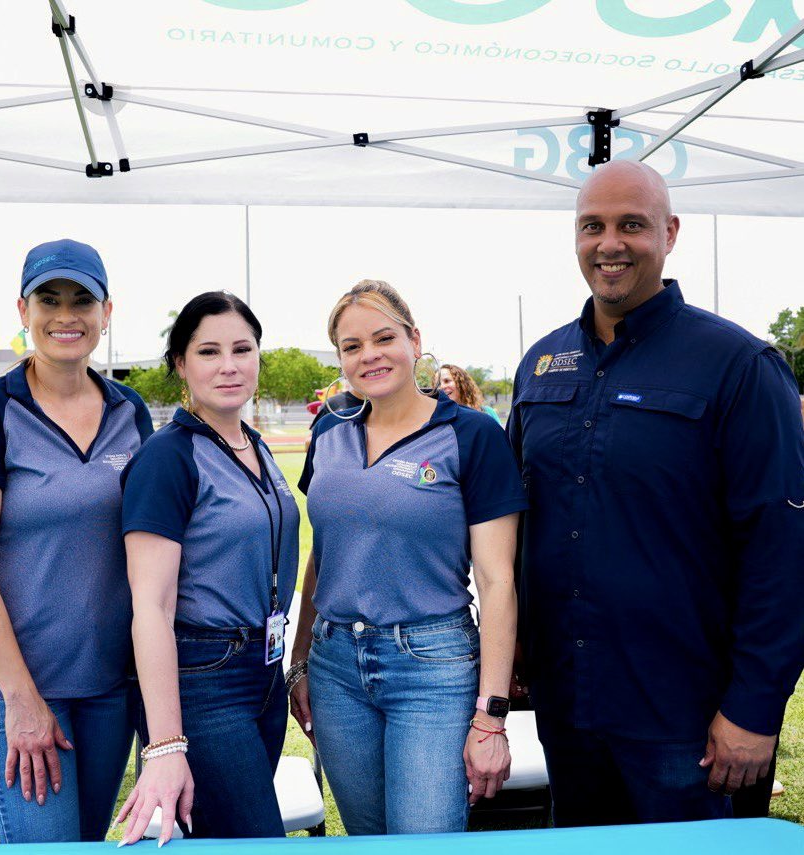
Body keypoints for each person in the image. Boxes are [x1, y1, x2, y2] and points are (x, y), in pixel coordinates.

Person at [507, 160, 804, 826]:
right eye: (592, 226)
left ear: (668, 233)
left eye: (630, 225)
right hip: (569, 708)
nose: (609, 244)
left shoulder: (737, 366)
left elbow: (783, 552)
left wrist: (753, 708)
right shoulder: (540, 365)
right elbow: (511, 527)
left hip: (689, 720)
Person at [287, 279, 527, 835]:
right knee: (369, 841)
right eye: (352, 346)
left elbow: (497, 582)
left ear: (414, 341)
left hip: (431, 666)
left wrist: (491, 718)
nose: (369, 355)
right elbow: (323, 555)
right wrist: (301, 662)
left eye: (383, 337)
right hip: (336, 666)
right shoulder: (329, 433)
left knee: (425, 840)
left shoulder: (469, 434)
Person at [0, 238, 153, 843]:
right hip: (23, 686)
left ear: (106, 313)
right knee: (47, 849)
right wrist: (21, 699)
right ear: (23, 311)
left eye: (81, 300)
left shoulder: (129, 410)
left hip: (109, 685)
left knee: (87, 844)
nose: (66, 315)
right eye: (49, 299)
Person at [115, 292, 299, 846]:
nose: (229, 365)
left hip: (263, 672)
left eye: (243, 349)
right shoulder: (168, 457)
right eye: (209, 351)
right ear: (180, 364)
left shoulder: (255, 446)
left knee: (222, 839)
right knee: (255, 840)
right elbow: (150, 606)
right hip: (203, 679)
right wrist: (166, 745)